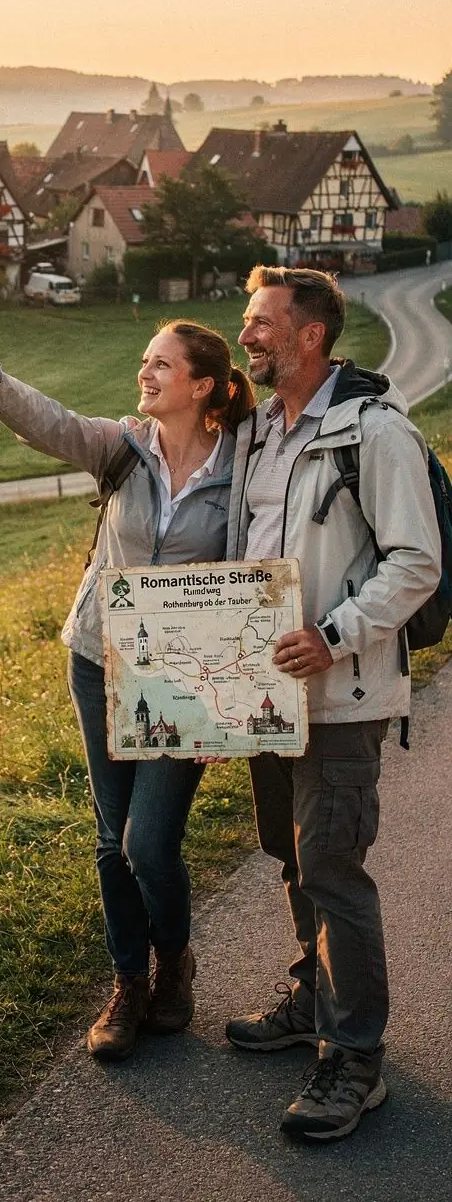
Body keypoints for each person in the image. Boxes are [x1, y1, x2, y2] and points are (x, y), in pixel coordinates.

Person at [0, 316, 254, 1061]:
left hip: (183, 680)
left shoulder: (245, 471)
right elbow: (52, 424)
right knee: (112, 841)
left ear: (202, 385)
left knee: (150, 843)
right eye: (144, 361)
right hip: (98, 660)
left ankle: (175, 959)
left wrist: (234, 706)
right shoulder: (123, 448)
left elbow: (252, 584)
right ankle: (130, 982)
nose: (146, 373)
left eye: (161, 365)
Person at [225, 265, 440, 1142]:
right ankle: (315, 999)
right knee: (290, 853)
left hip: (341, 695)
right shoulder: (260, 435)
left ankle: (356, 1060)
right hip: (267, 699)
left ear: (310, 334)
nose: (247, 334)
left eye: (261, 320)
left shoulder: (375, 431)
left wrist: (336, 633)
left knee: (334, 870)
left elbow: (416, 561)